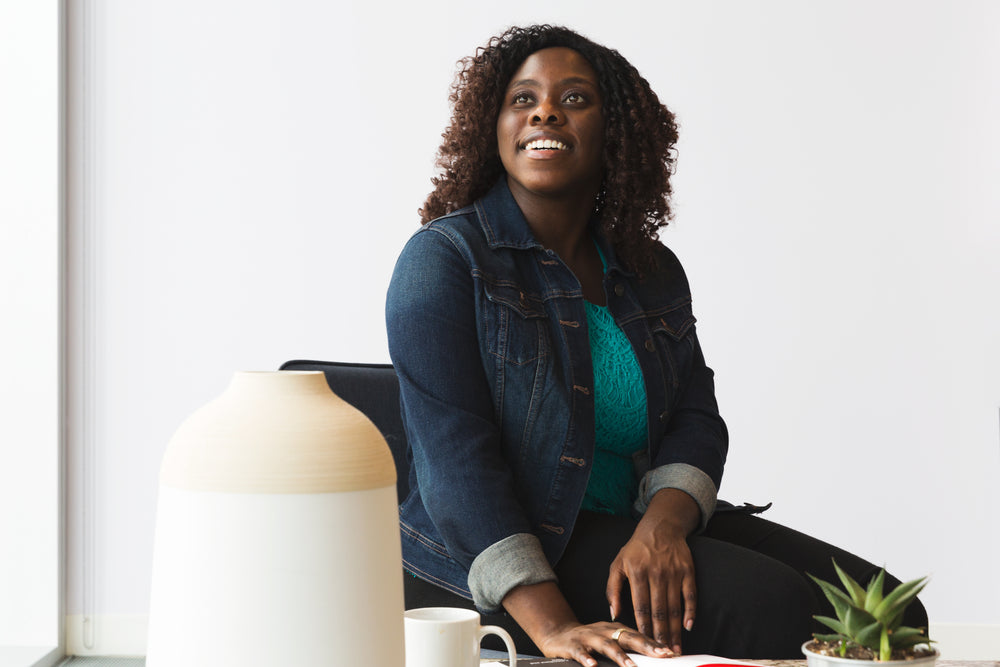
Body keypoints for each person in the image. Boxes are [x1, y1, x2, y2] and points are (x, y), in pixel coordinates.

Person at [385, 25, 926, 667]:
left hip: (637, 519)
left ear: (616, 132)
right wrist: (553, 627)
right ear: (493, 124)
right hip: (521, 550)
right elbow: (455, 466)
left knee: (889, 613)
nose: (545, 111)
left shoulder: (650, 269)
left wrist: (663, 527)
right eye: (522, 98)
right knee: (776, 608)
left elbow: (696, 417)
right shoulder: (446, 261)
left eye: (575, 98)